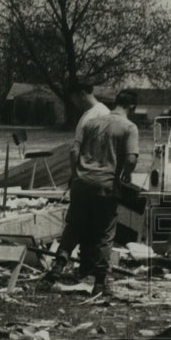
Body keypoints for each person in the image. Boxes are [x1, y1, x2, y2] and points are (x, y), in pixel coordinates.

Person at [45, 91, 139, 297]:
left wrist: (75, 173)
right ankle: (100, 280)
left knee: (74, 227)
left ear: (115, 102)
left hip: (81, 182)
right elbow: (131, 159)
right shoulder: (129, 127)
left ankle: (57, 267)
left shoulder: (91, 123)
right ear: (132, 108)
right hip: (105, 186)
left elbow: (73, 152)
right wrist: (126, 175)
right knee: (105, 233)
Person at [53, 83, 112, 276]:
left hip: (84, 174)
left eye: (73, 99)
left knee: (76, 223)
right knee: (97, 226)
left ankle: (60, 262)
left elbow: (74, 150)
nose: (73, 103)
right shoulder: (107, 113)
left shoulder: (88, 117)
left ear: (81, 94)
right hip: (103, 176)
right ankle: (89, 268)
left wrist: (73, 174)